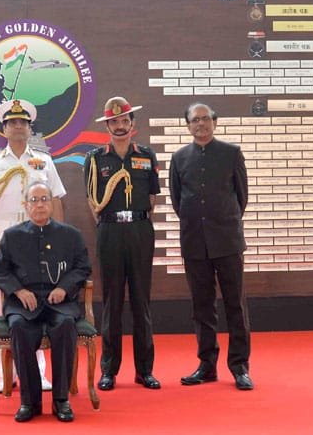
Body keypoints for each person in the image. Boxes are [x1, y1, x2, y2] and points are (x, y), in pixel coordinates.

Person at [0, 98, 66, 392]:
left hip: (36, 235)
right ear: (4, 128)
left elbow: (56, 201)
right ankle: (6, 372)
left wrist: (60, 240)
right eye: (12, 122)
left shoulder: (43, 161)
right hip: (0, 234)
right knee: (4, 306)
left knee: (36, 302)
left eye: (23, 122)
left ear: (30, 128)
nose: (18, 127)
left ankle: (38, 372)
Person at [0, 181, 92, 423]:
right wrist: (19, 291)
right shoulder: (12, 236)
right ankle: (29, 401)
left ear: (52, 203)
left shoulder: (71, 235)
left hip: (60, 302)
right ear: (26, 205)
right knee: (19, 327)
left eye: (44, 199)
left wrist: (64, 288)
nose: (40, 205)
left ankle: (60, 400)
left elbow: (82, 267)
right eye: (34, 200)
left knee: (66, 325)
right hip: (24, 304)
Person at [169, 102, 253, 391]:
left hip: (227, 240)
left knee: (235, 305)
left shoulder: (231, 153)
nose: (201, 124)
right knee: (202, 306)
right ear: (188, 125)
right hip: (194, 241)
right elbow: (179, 201)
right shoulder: (179, 158)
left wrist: (223, 222)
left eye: (206, 119)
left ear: (214, 122)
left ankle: (240, 366)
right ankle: (207, 365)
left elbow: (241, 198)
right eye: (195, 120)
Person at [84, 96, 161, 391]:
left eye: (124, 121)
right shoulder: (95, 159)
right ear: (107, 126)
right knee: (112, 302)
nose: (119, 126)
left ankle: (145, 370)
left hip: (140, 230)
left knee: (141, 302)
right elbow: (94, 203)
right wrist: (114, 222)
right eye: (114, 122)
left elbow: (152, 199)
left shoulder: (146, 155)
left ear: (132, 125)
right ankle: (109, 370)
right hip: (111, 231)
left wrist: (135, 219)